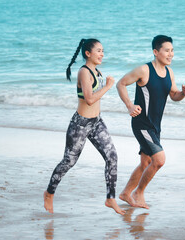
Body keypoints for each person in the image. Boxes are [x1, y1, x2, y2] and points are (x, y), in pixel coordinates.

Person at [43, 38, 125, 215]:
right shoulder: (84, 72)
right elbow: (89, 99)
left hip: (96, 122)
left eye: (103, 50)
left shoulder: (98, 71)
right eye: (99, 51)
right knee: (69, 161)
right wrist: (109, 86)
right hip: (80, 124)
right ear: (88, 53)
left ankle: (110, 198)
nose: (102, 54)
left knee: (112, 156)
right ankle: (49, 193)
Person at [117, 35, 185, 209]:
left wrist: (183, 94)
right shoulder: (144, 70)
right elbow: (121, 84)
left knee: (145, 163)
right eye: (167, 50)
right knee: (159, 160)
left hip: (155, 126)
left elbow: (174, 96)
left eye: (172, 50)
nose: (170, 54)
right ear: (156, 52)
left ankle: (126, 193)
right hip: (142, 124)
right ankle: (138, 192)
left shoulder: (169, 72)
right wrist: (129, 105)